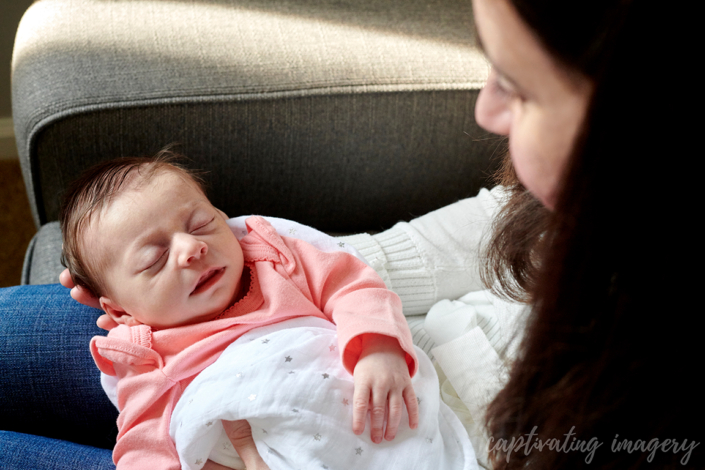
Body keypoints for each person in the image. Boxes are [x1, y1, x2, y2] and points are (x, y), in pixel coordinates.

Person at [1, 0, 701, 468]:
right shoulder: (174, 322)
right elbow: (144, 435)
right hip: (234, 349)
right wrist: (268, 256)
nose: (485, 109)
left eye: (518, 85)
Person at [58, 155, 476, 470]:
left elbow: (352, 283)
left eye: (201, 223)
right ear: (120, 312)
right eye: (154, 259)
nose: (191, 248)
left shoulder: (275, 259)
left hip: (376, 408)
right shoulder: (151, 357)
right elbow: (142, 443)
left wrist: (377, 346)